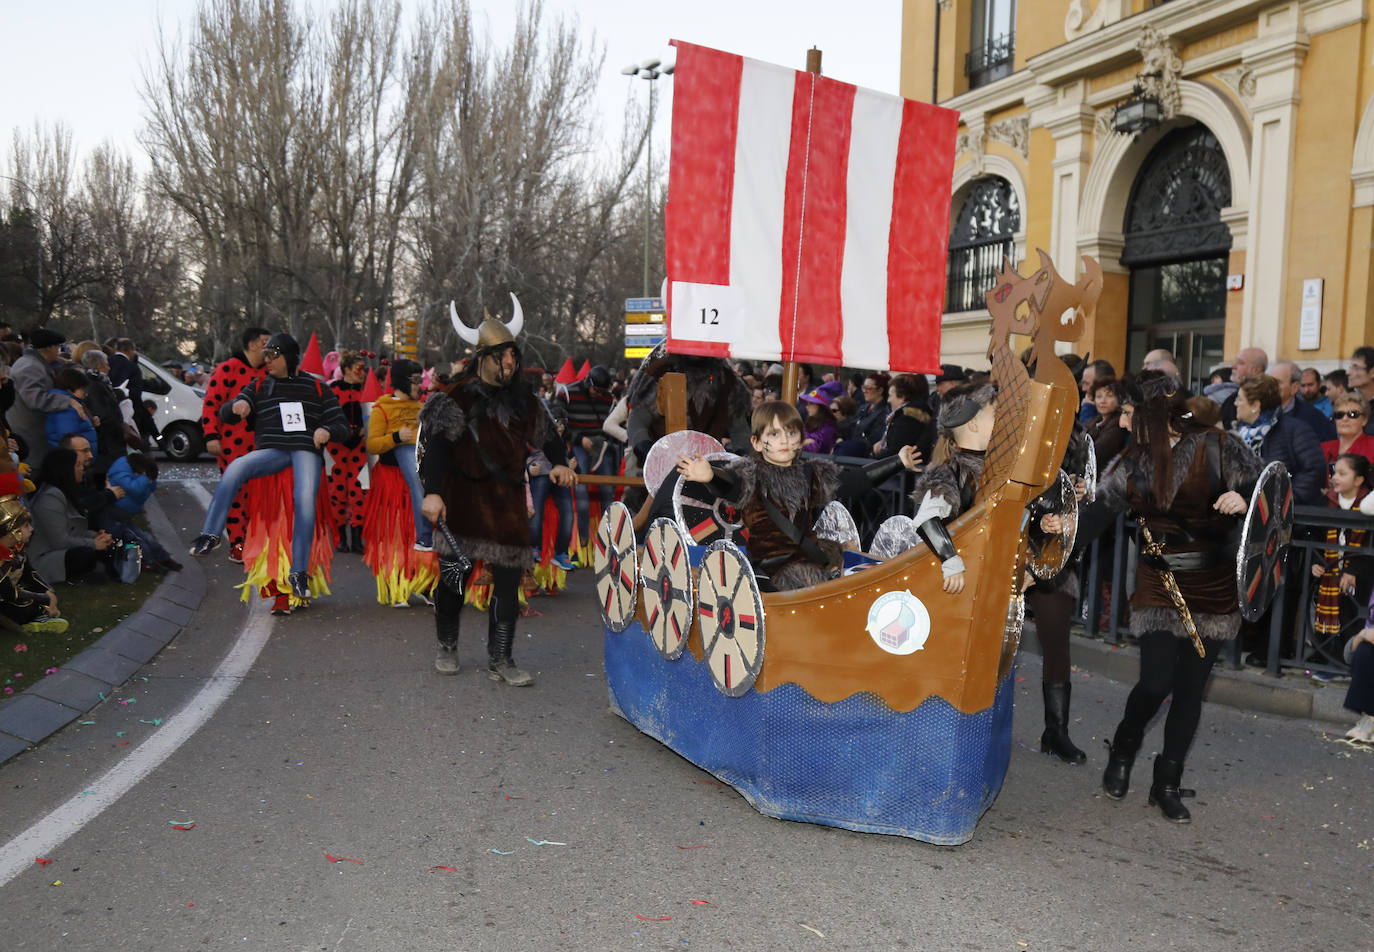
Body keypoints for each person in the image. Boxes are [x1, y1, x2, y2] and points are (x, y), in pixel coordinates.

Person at [1094, 372, 1260, 823]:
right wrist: (1049, 546)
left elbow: (1275, 497)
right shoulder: (1132, 462)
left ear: (1150, 414)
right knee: (1155, 681)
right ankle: (1123, 752)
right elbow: (1096, 514)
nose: (1122, 424)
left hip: (1214, 586)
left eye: (1128, 413)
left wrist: (1242, 497)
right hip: (1159, 586)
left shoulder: (1219, 447)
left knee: (1189, 690)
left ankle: (1165, 782)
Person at [419, 302, 574, 685]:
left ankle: (501, 659)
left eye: (513, 354)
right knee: (455, 577)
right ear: (483, 358)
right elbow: (436, 449)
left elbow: (549, 437)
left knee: (508, 583)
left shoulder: (525, 400)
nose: (510, 361)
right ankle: (448, 644)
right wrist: (433, 493)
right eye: (503, 355)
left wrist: (559, 462)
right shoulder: (453, 398)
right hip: (463, 500)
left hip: (506, 503)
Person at [676, 400, 919, 591]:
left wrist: (897, 461)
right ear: (757, 442)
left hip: (811, 557)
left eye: (791, 433)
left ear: (800, 439)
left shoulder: (810, 472)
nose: (784, 440)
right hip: (772, 564)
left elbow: (851, 482)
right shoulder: (751, 473)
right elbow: (734, 485)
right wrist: (711, 476)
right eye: (774, 434)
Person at [189, 332, 349, 613]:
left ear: (289, 356)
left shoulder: (318, 388)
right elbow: (226, 410)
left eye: (274, 355)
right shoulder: (260, 384)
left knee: (305, 500)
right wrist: (236, 407)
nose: (268, 361)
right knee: (235, 469)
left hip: (305, 452)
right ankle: (210, 534)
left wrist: (326, 430)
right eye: (265, 355)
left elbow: (342, 426)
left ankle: (298, 572)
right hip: (273, 453)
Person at [361, 358, 438, 607]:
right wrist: (396, 437)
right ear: (403, 381)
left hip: (419, 480)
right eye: (416, 380)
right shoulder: (382, 408)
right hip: (392, 483)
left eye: (421, 380)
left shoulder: (423, 407)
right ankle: (397, 586)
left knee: (421, 532)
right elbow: (372, 444)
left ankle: (424, 585)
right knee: (395, 534)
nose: (420, 385)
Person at [199, 327, 271, 562]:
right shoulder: (227, 368)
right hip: (233, 445)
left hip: (262, 445)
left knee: (259, 494)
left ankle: (256, 539)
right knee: (236, 494)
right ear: (252, 345)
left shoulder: (268, 373)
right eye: (265, 342)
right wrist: (211, 436)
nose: (269, 348)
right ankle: (238, 542)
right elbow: (211, 403)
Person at [28, 448, 119, 586]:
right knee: (85, 554)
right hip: (44, 557)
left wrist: (96, 536)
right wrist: (94, 543)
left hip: (58, 549)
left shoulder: (63, 491)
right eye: (77, 465)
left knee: (108, 544)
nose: (82, 468)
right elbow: (59, 541)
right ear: (64, 469)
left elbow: (73, 530)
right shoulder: (50, 497)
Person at [1232, 373, 1326, 505]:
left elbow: (1314, 471)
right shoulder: (1236, 435)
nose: (1235, 403)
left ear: (1255, 406)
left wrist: (1284, 501)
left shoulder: (1295, 430)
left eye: (1240, 399)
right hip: (1244, 515)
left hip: (1286, 518)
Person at [1311, 454, 1373, 651]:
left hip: (1360, 578)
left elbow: (1370, 544)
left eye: (1342, 473)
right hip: (1329, 573)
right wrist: (1316, 562)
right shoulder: (1326, 501)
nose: (1334, 477)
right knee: (1328, 620)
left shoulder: (1369, 504)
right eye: (1334, 472)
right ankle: (1325, 656)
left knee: (1352, 617)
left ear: (1359, 480)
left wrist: (1354, 570)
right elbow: (1314, 537)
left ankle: (1349, 659)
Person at [560, 365, 616, 560]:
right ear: (588, 383)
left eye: (602, 392)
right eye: (595, 390)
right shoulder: (568, 393)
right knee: (581, 489)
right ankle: (583, 537)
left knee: (608, 490)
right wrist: (577, 439)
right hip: (578, 443)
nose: (598, 394)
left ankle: (610, 538)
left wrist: (606, 442)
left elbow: (612, 424)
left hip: (600, 445)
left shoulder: (608, 398)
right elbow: (556, 423)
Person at [9, 328, 81, 470]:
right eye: (58, 347)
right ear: (50, 347)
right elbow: (35, 398)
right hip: (30, 434)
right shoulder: (30, 367)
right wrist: (67, 401)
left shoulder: (34, 363)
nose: (58, 351)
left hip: (34, 433)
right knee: (36, 479)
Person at [0, 496, 67, 634]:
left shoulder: (17, 548)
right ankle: (38, 617)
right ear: (12, 532)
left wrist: (47, 591)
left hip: (9, 594)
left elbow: (28, 572)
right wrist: (43, 599)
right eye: (26, 525)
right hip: (4, 597)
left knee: (31, 599)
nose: (31, 529)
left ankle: (39, 613)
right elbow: (9, 593)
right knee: (24, 606)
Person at [327, 352, 369, 554]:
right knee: (336, 492)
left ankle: (356, 538)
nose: (362, 373)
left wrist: (363, 430)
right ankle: (341, 537)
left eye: (364, 369)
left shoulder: (366, 392)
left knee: (359, 491)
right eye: (358, 368)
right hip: (336, 450)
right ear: (346, 370)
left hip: (359, 450)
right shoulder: (331, 391)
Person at [79, 348, 131, 477]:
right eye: (107, 364)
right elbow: (102, 414)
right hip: (108, 445)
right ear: (99, 366)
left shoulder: (97, 383)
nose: (109, 368)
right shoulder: (96, 385)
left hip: (108, 444)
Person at [875, 373, 935, 462]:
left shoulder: (907, 419)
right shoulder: (908, 416)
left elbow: (895, 452)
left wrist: (874, 456)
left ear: (902, 397)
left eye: (891, 396)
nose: (888, 400)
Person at [1272, 360, 1335, 443]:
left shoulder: (1314, 418)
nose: (1271, 386)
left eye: (1277, 382)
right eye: (1270, 381)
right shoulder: (1261, 412)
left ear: (1294, 387)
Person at [44, 366, 99, 454]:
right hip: (76, 459)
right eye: (83, 389)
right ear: (69, 390)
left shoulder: (71, 405)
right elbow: (69, 439)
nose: (86, 393)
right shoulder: (67, 408)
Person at [1321, 390, 1374, 467]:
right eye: (1339, 415)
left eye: (1353, 414)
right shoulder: (1323, 449)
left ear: (1364, 420)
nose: (1345, 419)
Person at [1219, 346, 1268, 428]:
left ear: (1256, 370)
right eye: (1235, 362)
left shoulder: (1272, 398)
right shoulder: (1230, 401)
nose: (1233, 366)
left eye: (1240, 363)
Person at [799, 384, 840, 454]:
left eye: (811, 403)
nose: (807, 407)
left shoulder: (829, 427)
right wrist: (806, 441)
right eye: (807, 403)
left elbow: (817, 449)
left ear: (821, 407)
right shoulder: (810, 422)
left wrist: (801, 444)